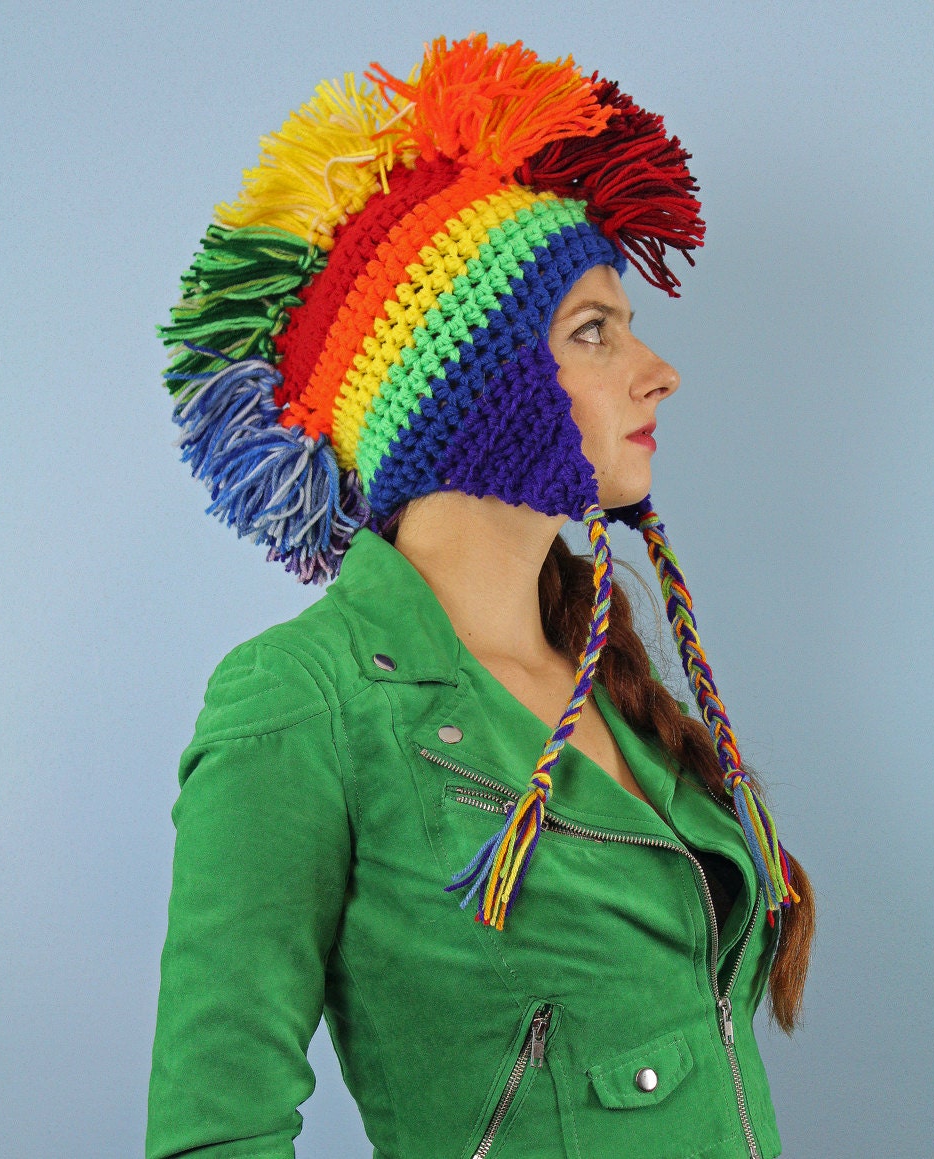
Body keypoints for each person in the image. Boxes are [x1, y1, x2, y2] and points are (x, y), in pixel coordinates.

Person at [147, 35, 814, 1159]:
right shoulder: (305, 700)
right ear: (477, 395)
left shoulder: (599, 675)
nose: (658, 372)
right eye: (594, 331)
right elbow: (214, 1130)